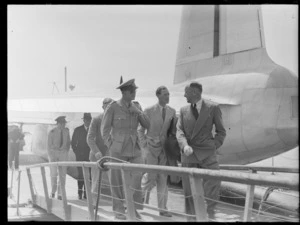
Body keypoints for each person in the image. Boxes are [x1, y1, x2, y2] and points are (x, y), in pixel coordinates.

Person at [176, 82, 226, 220]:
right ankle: (191, 218)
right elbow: (179, 131)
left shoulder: (213, 108)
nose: (184, 95)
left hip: (207, 153)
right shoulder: (183, 110)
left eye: (186, 92)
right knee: (189, 191)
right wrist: (184, 145)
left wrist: (213, 146)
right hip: (188, 153)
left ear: (194, 93)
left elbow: (221, 132)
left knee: (213, 181)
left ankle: (210, 215)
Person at [101, 78, 150, 220]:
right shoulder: (113, 107)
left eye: (135, 91)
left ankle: (133, 209)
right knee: (116, 181)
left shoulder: (136, 106)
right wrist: (111, 145)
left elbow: (147, 125)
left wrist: (138, 112)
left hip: (134, 149)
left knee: (136, 178)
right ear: (125, 93)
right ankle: (118, 210)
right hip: (118, 149)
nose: (135, 93)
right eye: (132, 91)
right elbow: (104, 130)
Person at [138, 86, 176, 217]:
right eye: (165, 94)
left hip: (164, 150)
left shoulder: (172, 111)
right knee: (150, 177)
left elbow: (171, 132)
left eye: (168, 94)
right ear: (158, 96)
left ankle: (163, 209)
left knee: (163, 179)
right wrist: (145, 146)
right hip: (151, 149)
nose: (168, 96)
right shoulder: (148, 111)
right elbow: (140, 130)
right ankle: (136, 200)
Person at [87, 98, 114, 203]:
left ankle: (117, 204)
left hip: (110, 155)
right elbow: (89, 138)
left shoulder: (115, 120)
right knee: (95, 181)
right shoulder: (96, 119)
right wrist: (96, 151)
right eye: (106, 106)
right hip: (97, 155)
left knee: (114, 181)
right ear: (103, 107)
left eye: (110, 106)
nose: (108, 108)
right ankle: (93, 204)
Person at [47, 116, 71, 200]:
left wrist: (66, 152)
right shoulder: (52, 132)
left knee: (63, 175)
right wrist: (51, 157)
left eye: (64, 123)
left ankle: (60, 193)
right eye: (63, 123)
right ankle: (53, 192)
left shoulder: (66, 131)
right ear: (58, 123)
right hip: (53, 154)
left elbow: (68, 142)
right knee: (53, 174)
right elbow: (49, 146)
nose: (64, 125)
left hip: (63, 154)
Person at [71, 113, 92, 200]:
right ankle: (80, 192)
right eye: (86, 120)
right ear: (83, 120)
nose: (88, 122)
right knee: (80, 175)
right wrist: (77, 153)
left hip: (90, 156)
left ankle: (87, 193)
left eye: (89, 120)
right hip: (80, 156)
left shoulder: (93, 129)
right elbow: (73, 143)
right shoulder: (78, 130)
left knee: (89, 175)